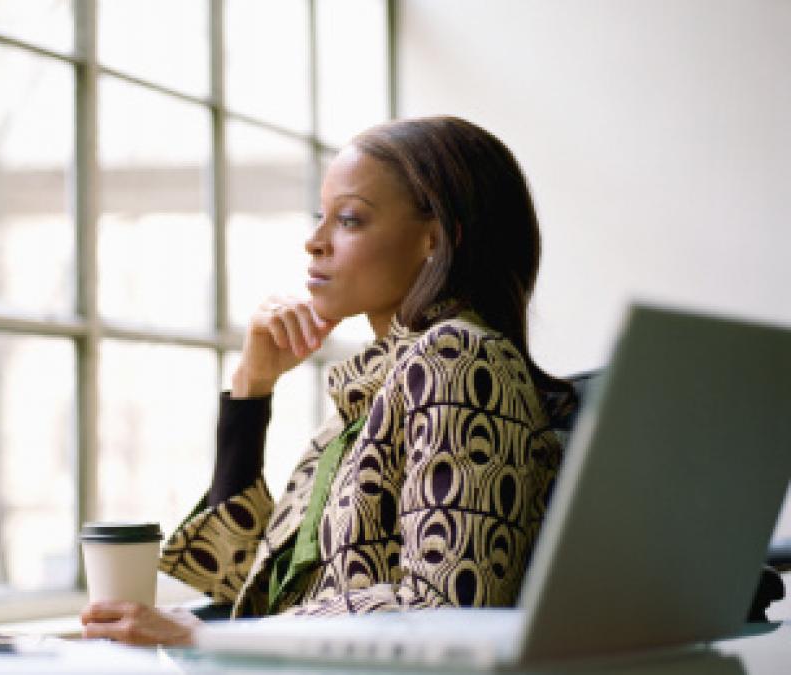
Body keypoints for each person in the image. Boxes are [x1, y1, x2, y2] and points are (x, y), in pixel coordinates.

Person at [80, 116, 576, 646]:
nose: (314, 242)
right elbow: (243, 584)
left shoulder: (457, 355)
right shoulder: (372, 391)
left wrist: (208, 638)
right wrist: (252, 387)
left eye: (350, 220)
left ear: (435, 240)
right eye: (322, 216)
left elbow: (445, 608)